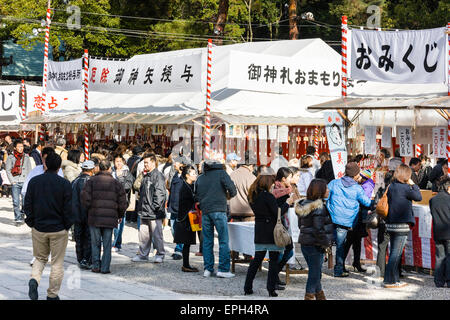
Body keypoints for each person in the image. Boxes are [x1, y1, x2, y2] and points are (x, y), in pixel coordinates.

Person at [24, 152, 73, 300]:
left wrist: (31, 221)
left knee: (39, 258)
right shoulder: (64, 184)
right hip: (58, 228)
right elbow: (69, 208)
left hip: (39, 226)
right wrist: (67, 225)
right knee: (57, 263)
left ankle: (34, 279)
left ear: (45, 164)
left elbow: (27, 204)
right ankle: (52, 294)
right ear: (59, 167)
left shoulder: (35, 181)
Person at [244, 172, 292, 297]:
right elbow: (277, 212)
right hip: (271, 232)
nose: (273, 186)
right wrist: (288, 203)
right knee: (273, 261)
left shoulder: (253, 196)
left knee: (256, 260)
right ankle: (271, 288)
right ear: (267, 184)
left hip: (260, 230)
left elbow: (269, 208)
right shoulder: (268, 196)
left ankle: (247, 286)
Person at [81, 159, 127, 274]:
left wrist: (89, 210)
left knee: (95, 243)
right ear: (109, 168)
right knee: (107, 244)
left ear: (99, 168)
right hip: (110, 217)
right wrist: (120, 215)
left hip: (95, 216)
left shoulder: (91, 181)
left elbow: (85, 199)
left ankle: (96, 265)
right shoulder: (116, 183)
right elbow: (122, 202)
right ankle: (105, 267)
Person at [327, 162, 371, 277]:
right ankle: (338, 270)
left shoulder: (334, 183)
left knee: (340, 244)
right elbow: (367, 202)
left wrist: (330, 208)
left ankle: (340, 267)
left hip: (333, 217)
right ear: (356, 175)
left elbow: (325, 196)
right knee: (341, 245)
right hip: (348, 220)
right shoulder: (357, 188)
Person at [195, 160, 237, 278]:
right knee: (223, 240)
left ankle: (208, 269)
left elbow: (196, 195)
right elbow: (233, 189)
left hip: (205, 211)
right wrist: (227, 195)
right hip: (219, 209)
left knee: (207, 241)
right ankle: (223, 269)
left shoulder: (201, 177)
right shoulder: (222, 173)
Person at [383, 164, 422, 288]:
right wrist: (413, 184)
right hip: (401, 225)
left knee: (394, 252)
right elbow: (418, 197)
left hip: (390, 223)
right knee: (396, 254)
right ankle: (389, 280)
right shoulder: (406, 188)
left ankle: (394, 280)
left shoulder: (391, 186)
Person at [295, 179, 334, 300]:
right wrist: (326, 242)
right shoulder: (319, 207)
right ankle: (309, 295)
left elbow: (300, 225)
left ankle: (320, 295)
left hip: (306, 242)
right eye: (326, 188)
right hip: (315, 244)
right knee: (315, 273)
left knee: (315, 271)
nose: (329, 190)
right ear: (320, 190)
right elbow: (318, 229)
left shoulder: (304, 204)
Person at [131, 154, 167, 263]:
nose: (145, 165)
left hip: (154, 211)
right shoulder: (145, 175)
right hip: (144, 209)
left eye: (146, 162)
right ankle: (143, 254)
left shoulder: (158, 176)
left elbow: (160, 194)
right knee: (143, 235)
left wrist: (156, 207)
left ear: (153, 162)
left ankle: (160, 254)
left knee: (157, 235)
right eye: (144, 163)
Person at [343, 169, 374, 273]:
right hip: (357, 215)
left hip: (357, 215)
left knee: (351, 241)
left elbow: (363, 200)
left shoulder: (365, 186)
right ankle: (354, 263)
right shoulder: (363, 185)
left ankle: (349, 263)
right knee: (354, 241)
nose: (357, 178)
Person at [174, 165, 199, 272]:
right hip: (185, 219)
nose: (196, 175)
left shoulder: (189, 185)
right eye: (193, 174)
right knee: (186, 242)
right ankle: (186, 265)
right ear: (187, 175)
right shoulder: (184, 187)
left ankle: (186, 264)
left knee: (187, 243)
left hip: (188, 217)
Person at [72, 160, 95, 270]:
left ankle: (80, 258)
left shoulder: (75, 181)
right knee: (88, 237)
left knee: (79, 237)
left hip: (76, 214)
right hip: (89, 214)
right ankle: (87, 258)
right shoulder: (92, 182)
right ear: (92, 170)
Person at [428, 176, 450, 288]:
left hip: (437, 232)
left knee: (440, 257)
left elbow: (432, 213)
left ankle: (438, 281)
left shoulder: (432, 200)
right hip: (448, 232)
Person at [167, 156, 189, 260]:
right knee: (173, 229)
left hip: (181, 208)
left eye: (176, 163)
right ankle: (180, 245)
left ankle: (179, 249)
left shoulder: (186, 177)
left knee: (179, 230)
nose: (174, 164)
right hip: (173, 207)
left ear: (181, 165)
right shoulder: (175, 175)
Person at [6, 139, 32, 225]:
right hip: (15, 181)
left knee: (25, 201)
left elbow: (29, 169)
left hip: (25, 181)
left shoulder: (27, 157)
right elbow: (8, 170)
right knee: (16, 201)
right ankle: (17, 217)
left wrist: (28, 181)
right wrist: (12, 181)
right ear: (15, 147)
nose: (21, 148)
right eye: (19, 146)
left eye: (22, 146)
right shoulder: (11, 157)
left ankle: (22, 213)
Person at [111, 154, 133, 252]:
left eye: (120, 161)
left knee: (119, 224)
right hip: (110, 201)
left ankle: (117, 243)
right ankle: (112, 242)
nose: (118, 163)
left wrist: (119, 177)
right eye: (116, 161)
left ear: (123, 162)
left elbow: (128, 186)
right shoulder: (111, 171)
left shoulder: (127, 173)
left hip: (122, 202)